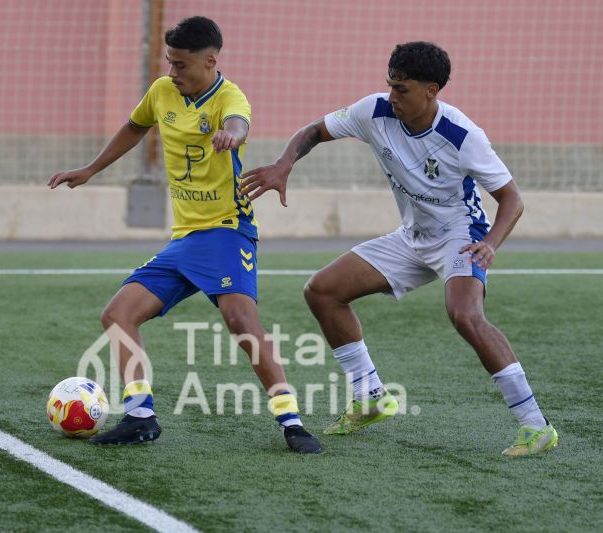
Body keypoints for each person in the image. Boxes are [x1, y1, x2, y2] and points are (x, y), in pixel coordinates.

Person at [239, 41, 558, 456]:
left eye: (402, 89)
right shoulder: (374, 111)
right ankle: (370, 396)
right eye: (390, 85)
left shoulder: (462, 135)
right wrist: (284, 164)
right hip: (412, 235)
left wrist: (491, 244)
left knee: (465, 315)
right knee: (322, 290)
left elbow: (512, 199)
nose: (393, 96)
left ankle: (536, 426)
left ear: (432, 90)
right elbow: (313, 131)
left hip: (461, 234)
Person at [49, 16, 321, 453]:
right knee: (118, 314)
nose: (173, 73)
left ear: (210, 61)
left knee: (241, 321)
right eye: (169, 63)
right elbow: (136, 127)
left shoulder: (230, 97)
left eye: (181, 65)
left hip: (226, 232)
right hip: (185, 240)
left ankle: (291, 422)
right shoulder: (161, 91)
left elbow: (239, 122)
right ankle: (140, 416)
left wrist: (231, 137)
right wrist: (91, 169)